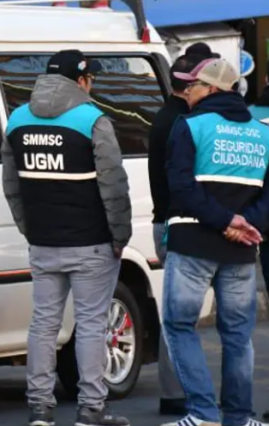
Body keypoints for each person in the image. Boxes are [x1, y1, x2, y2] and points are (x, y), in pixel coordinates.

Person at [1, 49, 132, 426]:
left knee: (43, 323)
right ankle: (91, 408)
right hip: (91, 243)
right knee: (91, 324)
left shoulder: (17, 120)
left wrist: (29, 228)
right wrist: (120, 235)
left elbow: (12, 185)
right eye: (91, 80)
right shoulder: (93, 120)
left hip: (44, 242)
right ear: (81, 81)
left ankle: (40, 408)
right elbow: (114, 187)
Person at [161, 57, 269, 426]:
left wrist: (225, 221)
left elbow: (180, 186)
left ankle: (203, 413)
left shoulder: (189, 126)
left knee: (179, 325)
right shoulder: (262, 133)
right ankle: (239, 418)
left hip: (193, 241)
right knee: (238, 334)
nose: (187, 91)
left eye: (192, 85)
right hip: (241, 249)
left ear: (211, 89)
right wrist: (243, 224)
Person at [147, 53, 209, 417]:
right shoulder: (181, 122)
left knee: (179, 313)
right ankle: (176, 393)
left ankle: (178, 391)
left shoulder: (164, 117)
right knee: (179, 316)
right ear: (191, 86)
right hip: (178, 225)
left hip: (166, 222)